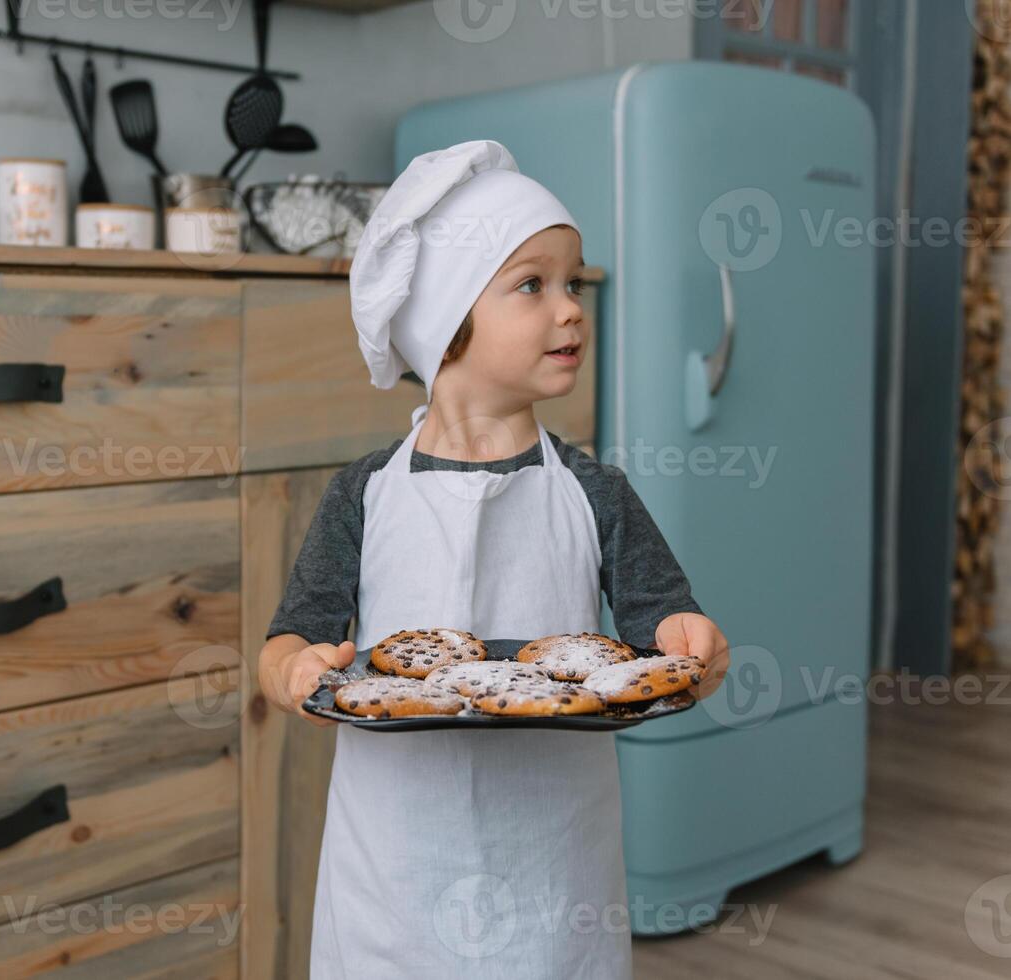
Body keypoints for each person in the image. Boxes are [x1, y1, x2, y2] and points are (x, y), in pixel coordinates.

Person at [256, 139, 731, 979]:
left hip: (552, 853)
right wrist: (293, 672)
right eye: (532, 284)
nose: (573, 308)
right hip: (395, 860)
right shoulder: (362, 495)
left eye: (574, 283)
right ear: (444, 321)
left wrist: (692, 640)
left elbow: (662, 621)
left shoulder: (596, 490)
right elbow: (292, 640)